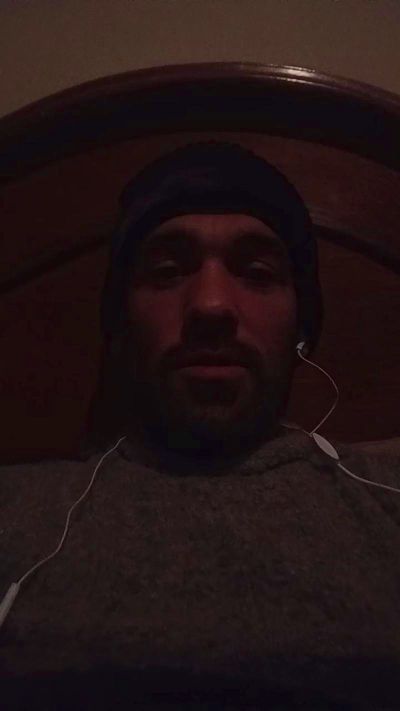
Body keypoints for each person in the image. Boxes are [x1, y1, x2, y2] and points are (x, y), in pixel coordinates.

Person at [1, 141, 400, 710]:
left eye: (257, 273)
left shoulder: (386, 502)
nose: (211, 305)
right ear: (120, 323)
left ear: (302, 325)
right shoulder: (16, 515)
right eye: (167, 272)